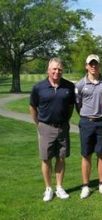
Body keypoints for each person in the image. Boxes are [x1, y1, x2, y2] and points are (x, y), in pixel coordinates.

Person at [29, 58, 75, 202]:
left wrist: (65, 121)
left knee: (61, 157)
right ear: (48, 70)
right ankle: (48, 188)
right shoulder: (38, 87)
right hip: (45, 127)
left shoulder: (69, 86)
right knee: (46, 158)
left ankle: (59, 187)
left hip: (62, 127)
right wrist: (38, 124)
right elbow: (32, 107)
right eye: (54, 69)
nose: (57, 71)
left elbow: (70, 107)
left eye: (59, 69)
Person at [75, 54, 102, 199]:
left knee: (101, 153)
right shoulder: (80, 84)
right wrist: (86, 115)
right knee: (86, 154)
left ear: (99, 65)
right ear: (86, 66)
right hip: (86, 122)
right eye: (90, 64)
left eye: (95, 64)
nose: (93, 66)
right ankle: (85, 186)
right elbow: (78, 105)